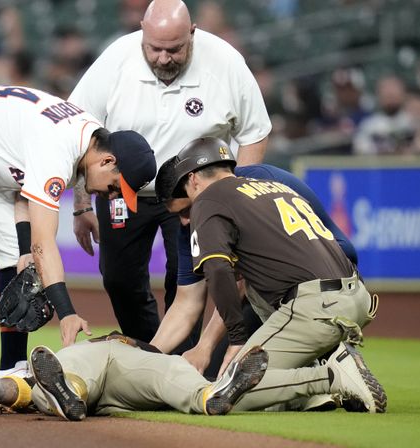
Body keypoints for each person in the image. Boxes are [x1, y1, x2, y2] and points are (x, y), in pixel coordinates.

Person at [0, 85, 157, 413]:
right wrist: (67, 313)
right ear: (107, 160)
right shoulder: (60, 147)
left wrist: (23, 251)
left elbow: (23, 189)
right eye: (117, 185)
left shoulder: (84, 140)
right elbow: (43, 244)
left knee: (14, 257)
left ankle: (13, 372)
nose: (113, 195)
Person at [68, 0, 271, 348]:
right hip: (122, 190)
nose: (164, 58)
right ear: (142, 34)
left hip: (192, 196)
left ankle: (181, 359)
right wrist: (82, 203)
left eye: (174, 49)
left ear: (192, 33)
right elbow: (78, 128)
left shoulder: (225, 62)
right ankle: (149, 352)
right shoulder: (117, 58)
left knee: (187, 280)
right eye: (155, 49)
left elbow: (254, 132)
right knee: (118, 279)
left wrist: (234, 202)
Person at [167, 136, 386, 412]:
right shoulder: (270, 185)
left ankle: (331, 376)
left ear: (193, 179)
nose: (186, 217)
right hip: (357, 297)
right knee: (250, 282)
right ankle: (315, 386)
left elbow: (218, 271)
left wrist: (236, 339)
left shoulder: (208, 198)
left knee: (231, 392)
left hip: (316, 306)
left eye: (186, 205)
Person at [151, 157, 358, 381]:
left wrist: (207, 345)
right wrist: (147, 359)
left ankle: (331, 367)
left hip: (324, 277)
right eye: (178, 215)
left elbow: (238, 279)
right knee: (217, 374)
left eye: (187, 210)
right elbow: (186, 303)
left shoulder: (255, 184)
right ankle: (331, 366)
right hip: (317, 289)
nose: (184, 221)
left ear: (194, 183)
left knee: (239, 381)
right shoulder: (197, 220)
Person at [0, 335, 269, 420]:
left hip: (120, 357)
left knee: (171, 367)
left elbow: (24, 389)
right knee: (170, 371)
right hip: (97, 358)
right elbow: (20, 388)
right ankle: (69, 393)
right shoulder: (63, 360)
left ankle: (212, 397)